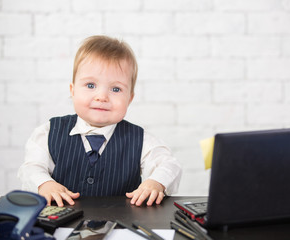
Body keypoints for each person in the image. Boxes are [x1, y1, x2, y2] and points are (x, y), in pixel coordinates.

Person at [18, 35, 182, 207]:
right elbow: (32, 167)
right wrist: (45, 183)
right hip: (61, 223)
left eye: (116, 89)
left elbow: (169, 165)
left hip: (121, 225)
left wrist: (156, 183)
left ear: (130, 98)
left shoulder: (140, 139)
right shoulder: (49, 132)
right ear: (73, 91)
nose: (102, 97)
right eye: (90, 85)